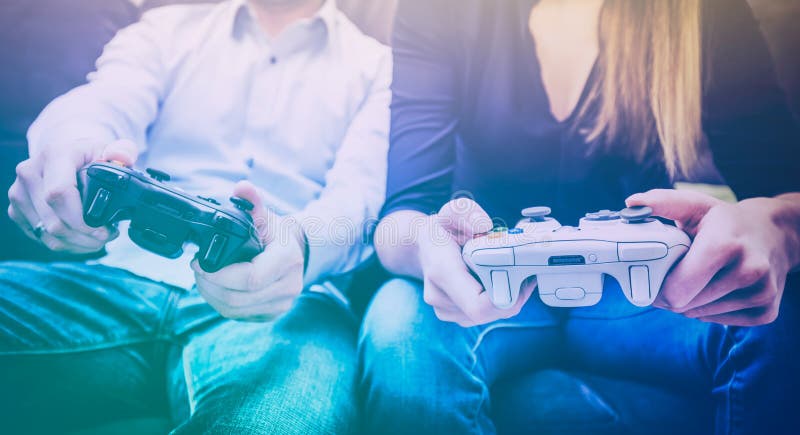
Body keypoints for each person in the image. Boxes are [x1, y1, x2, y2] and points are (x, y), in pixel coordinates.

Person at [360, 0, 800, 433]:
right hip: (490, 284)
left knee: (776, 311)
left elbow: (783, 188)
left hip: (647, 291)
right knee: (399, 332)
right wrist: (426, 244)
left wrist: (776, 226)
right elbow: (401, 215)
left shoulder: (705, 11)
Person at [1, 0, 390, 433]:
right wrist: (67, 150)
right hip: (112, 280)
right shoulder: (165, 28)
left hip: (281, 304)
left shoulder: (379, 67)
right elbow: (101, 103)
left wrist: (299, 243)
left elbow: (359, 199)